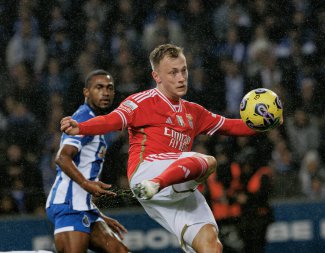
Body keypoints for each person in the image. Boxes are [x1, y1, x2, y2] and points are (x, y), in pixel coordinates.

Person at [60, 44, 279, 253]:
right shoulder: (141, 102)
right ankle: (157, 184)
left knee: (211, 244)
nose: (181, 78)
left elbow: (232, 126)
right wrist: (81, 127)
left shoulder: (194, 112)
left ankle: (160, 185)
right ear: (157, 77)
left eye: (184, 70)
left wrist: (266, 122)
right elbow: (112, 120)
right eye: (173, 72)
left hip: (179, 186)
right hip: (147, 172)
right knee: (208, 161)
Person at [46, 69, 129, 253]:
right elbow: (61, 157)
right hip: (69, 205)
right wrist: (86, 184)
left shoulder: (97, 121)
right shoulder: (83, 118)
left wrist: (98, 214)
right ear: (86, 92)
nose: (105, 92)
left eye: (109, 88)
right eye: (99, 87)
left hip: (84, 206)